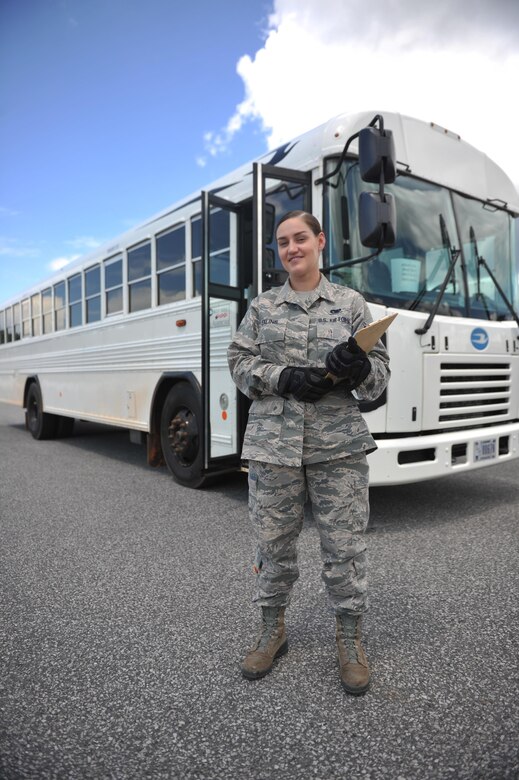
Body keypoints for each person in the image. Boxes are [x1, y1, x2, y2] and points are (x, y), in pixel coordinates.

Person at [227, 210, 390, 695]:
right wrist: (285, 377)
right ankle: (271, 629)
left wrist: (358, 367)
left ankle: (350, 638)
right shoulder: (263, 307)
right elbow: (238, 362)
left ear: (320, 241)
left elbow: (379, 379)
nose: (292, 248)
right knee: (273, 547)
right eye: (282, 242)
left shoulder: (352, 304)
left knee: (345, 548)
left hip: (337, 446)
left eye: (300, 238)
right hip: (273, 447)